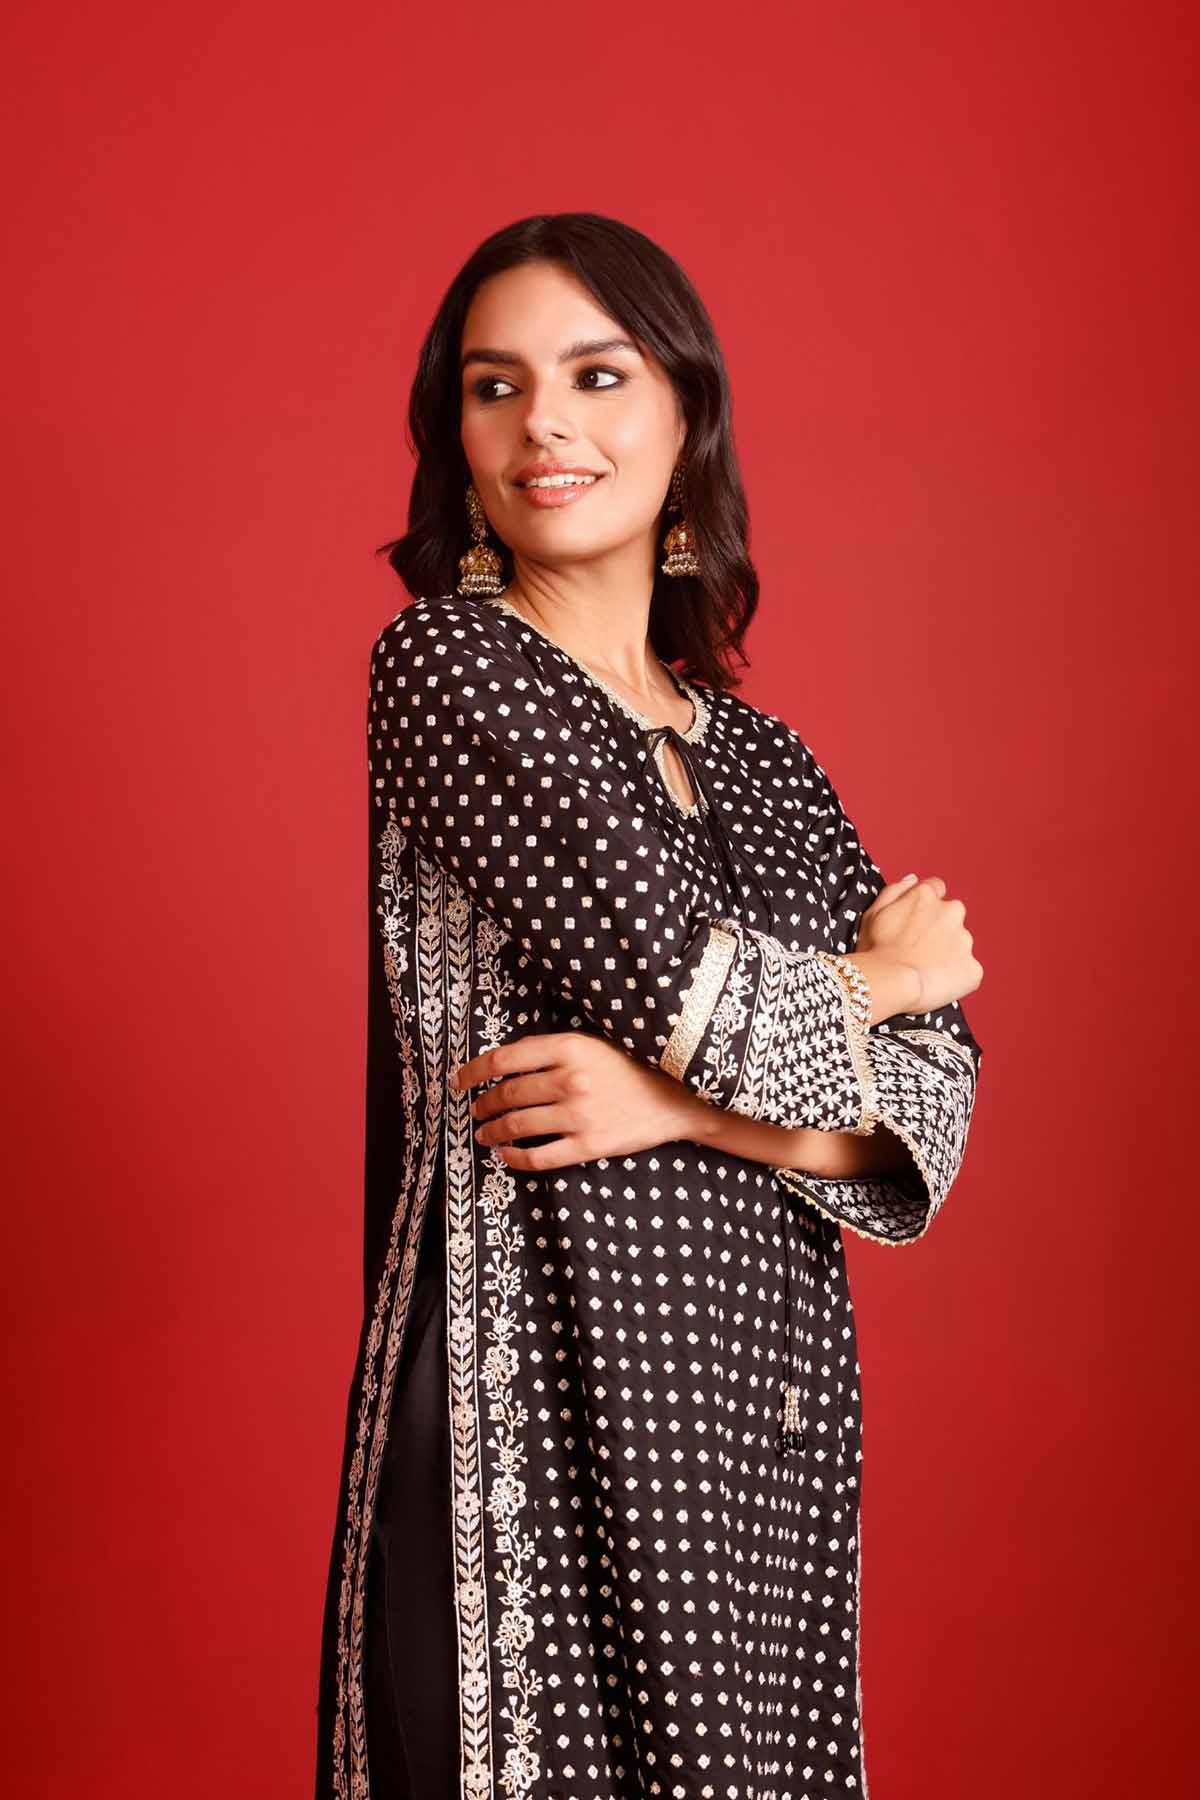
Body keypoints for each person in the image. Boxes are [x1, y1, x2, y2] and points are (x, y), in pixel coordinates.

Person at [314, 211, 984, 1800]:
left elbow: (937, 1111)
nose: (542, 423)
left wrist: (678, 1110)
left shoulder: (770, 764)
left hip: (759, 1439)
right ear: (459, 441)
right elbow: (686, 988)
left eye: (596, 376)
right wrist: (884, 981)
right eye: (495, 388)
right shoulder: (452, 672)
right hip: (525, 1414)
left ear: (687, 420)